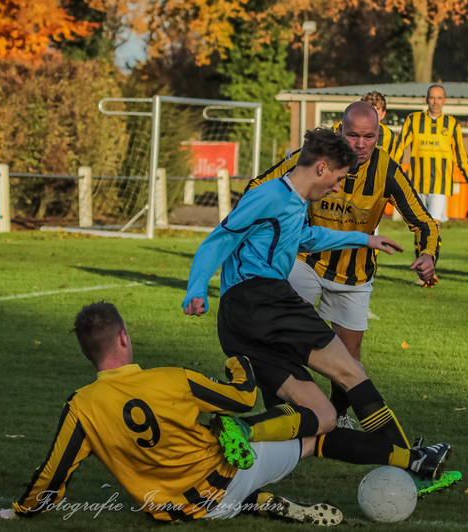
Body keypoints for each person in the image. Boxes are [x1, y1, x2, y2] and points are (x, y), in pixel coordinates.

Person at [183, 128, 451, 483]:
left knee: (322, 415)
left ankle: (240, 429)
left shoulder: (293, 201)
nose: (339, 188)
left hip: (238, 323)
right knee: (350, 372)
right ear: (322, 168)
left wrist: (364, 238)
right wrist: (195, 290)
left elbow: (307, 237)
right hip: (265, 300)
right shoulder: (270, 195)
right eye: (339, 178)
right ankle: (416, 463)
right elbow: (217, 240)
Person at [0, 301, 343, 525]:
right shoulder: (172, 379)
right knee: (308, 428)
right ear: (123, 338)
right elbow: (244, 397)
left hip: (171, 510)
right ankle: (376, 444)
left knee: (226, 483)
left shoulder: (81, 406)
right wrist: (240, 360)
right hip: (224, 478)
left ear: (89, 353)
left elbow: (54, 474)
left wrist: (21, 510)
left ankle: (255, 502)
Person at [246, 101, 440, 431]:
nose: (360, 144)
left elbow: (423, 221)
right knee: (279, 331)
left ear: (379, 135)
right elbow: (258, 186)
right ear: (340, 131)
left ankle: (336, 417)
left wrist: (427, 256)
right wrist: (261, 229)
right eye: (353, 135)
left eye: (369, 136)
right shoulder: (312, 156)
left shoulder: (388, 171)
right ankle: (279, 410)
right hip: (305, 261)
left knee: (348, 360)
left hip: (355, 273)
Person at [395, 84, 468, 286]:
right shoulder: (414, 120)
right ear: (426, 99)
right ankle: (423, 273)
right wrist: (390, 172)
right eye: (432, 97)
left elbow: (460, 153)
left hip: (440, 184)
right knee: (420, 227)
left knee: (434, 224)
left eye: (439, 98)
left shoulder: (452, 124)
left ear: (445, 101)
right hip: (416, 183)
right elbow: (400, 147)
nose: (435, 101)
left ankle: (432, 270)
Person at [332, 91, 401, 156]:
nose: (370, 121)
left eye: (376, 116)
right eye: (366, 115)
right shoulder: (336, 129)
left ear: (383, 115)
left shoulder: (389, 135)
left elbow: (391, 163)